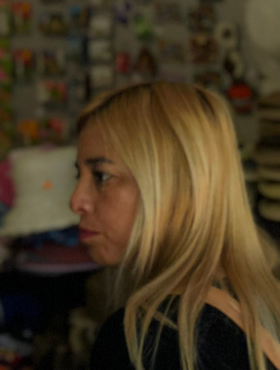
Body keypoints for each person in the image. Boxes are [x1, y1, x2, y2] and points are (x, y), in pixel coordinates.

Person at [71, 82, 280, 370]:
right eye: (78, 175)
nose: (76, 201)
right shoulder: (261, 303)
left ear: (174, 184)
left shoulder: (151, 339)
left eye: (102, 177)